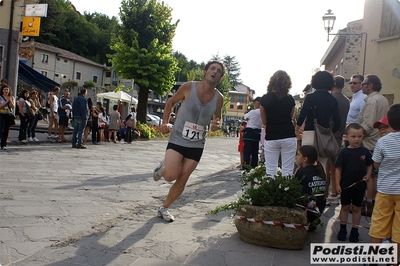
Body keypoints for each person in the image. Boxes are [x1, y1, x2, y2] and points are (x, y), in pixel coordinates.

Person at [153, 60, 225, 222]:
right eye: (212, 68)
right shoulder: (188, 87)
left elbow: (217, 118)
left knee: (183, 177)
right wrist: (165, 122)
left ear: (220, 78)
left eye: (218, 71)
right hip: (178, 137)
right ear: (205, 72)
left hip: (197, 143)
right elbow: (171, 102)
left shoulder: (219, 98)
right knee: (171, 175)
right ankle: (162, 168)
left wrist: (216, 124)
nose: (215, 71)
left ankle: (164, 208)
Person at [369, 103, 400, 263]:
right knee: (399, 229)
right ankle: (394, 261)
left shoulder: (383, 141)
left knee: (379, 223)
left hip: (385, 189)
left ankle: (374, 258)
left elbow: (376, 164)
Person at [295, 70, 341, 174]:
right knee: (322, 164)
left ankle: (307, 184)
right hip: (325, 134)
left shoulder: (310, 97)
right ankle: (320, 186)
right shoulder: (333, 100)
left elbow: (303, 115)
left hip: (310, 132)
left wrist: (297, 129)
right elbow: (338, 122)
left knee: (306, 162)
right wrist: (330, 131)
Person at [335, 123, 373, 242]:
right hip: (346, 185)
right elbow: (338, 169)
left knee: (357, 208)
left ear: (363, 136)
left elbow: (369, 164)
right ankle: (342, 228)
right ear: (347, 137)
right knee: (345, 207)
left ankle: (355, 230)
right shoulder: (344, 152)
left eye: (359, 136)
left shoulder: (365, 151)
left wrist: (368, 175)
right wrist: (337, 184)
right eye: (353, 136)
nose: (357, 139)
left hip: (360, 186)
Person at [356, 74, 389, 210]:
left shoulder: (371, 101)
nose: (361, 86)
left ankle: (368, 202)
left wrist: (357, 137)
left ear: (370, 86)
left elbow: (368, 124)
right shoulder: (383, 99)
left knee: (368, 174)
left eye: (363, 84)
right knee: (375, 174)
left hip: (369, 141)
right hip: (379, 140)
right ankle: (373, 200)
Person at [260, 70, 297, 177]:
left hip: (272, 136)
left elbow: (264, 122)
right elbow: (291, 117)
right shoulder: (290, 99)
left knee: (270, 170)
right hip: (288, 136)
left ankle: (271, 193)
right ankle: (286, 192)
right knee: (288, 171)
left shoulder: (265, 99)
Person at [326, 75, 350, 206]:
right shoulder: (346, 100)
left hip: (329, 134)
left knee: (327, 165)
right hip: (339, 134)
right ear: (343, 86)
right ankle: (334, 191)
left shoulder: (330, 98)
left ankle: (327, 191)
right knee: (335, 164)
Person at [295, 145, 326, 231]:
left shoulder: (302, 172)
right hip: (320, 207)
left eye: (298, 155)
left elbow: (294, 189)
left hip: (308, 209)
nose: (296, 157)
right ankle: (312, 221)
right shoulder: (320, 170)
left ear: (305, 159)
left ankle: (306, 220)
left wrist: (298, 169)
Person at [243, 97, 263, 169]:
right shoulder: (263, 113)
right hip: (257, 133)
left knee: (247, 152)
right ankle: (254, 167)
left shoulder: (253, 112)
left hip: (249, 133)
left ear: (257, 104)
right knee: (255, 152)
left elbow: (244, 117)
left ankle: (246, 167)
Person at [0, 85, 15, 150]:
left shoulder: (12, 97)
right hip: (1, 114)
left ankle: (3, 144)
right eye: (5, 89)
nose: (6, 91)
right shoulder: (0, 97)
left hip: (8, 114)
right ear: (2, 90)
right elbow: (0, 106)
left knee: (6, 129)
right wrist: (6, 101)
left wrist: (10, 100)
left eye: (7, 90)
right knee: (1, 129)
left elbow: (13, 106)